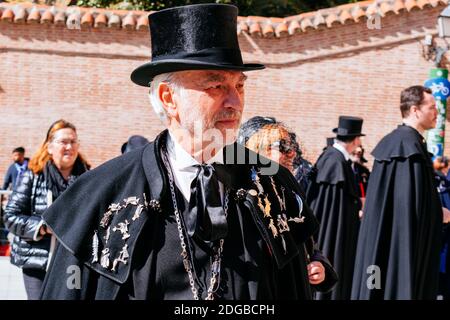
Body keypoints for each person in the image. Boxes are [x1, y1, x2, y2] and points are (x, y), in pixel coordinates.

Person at [40, 4, 320, 300]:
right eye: (216, 86)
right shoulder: (101, 195)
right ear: (168, 98)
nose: (235, 103)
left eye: (239, 86)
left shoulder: (272, 184)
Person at [351, 86, 450, 300]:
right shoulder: (408, 148)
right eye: (432, 107)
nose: (437, 113)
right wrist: (439, 213)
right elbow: (410, 208)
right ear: (415, 110)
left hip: (388, 241)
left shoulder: (399, 143)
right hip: (399, 247)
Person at [237, 116, 338, 294]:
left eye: (284, 147)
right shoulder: (236, 195)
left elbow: (309, 244)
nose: (284, 154)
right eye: (273, 147)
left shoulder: (289, 194)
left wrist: (319, 266)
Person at [3, 120, 89, 300]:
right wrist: (44, 227)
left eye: (73, 142)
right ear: (49, 147)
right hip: (37, 261)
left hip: (73, 262)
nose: (69, 146)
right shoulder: (32, 175)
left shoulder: (88, 178)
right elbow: (11, 216)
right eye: (63, 142)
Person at [306, 116, 364, 300]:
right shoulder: (336, 160)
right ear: (355, 140)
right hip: (332, 233)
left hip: (330, 230)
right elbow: (333, 207)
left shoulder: (333, 157)